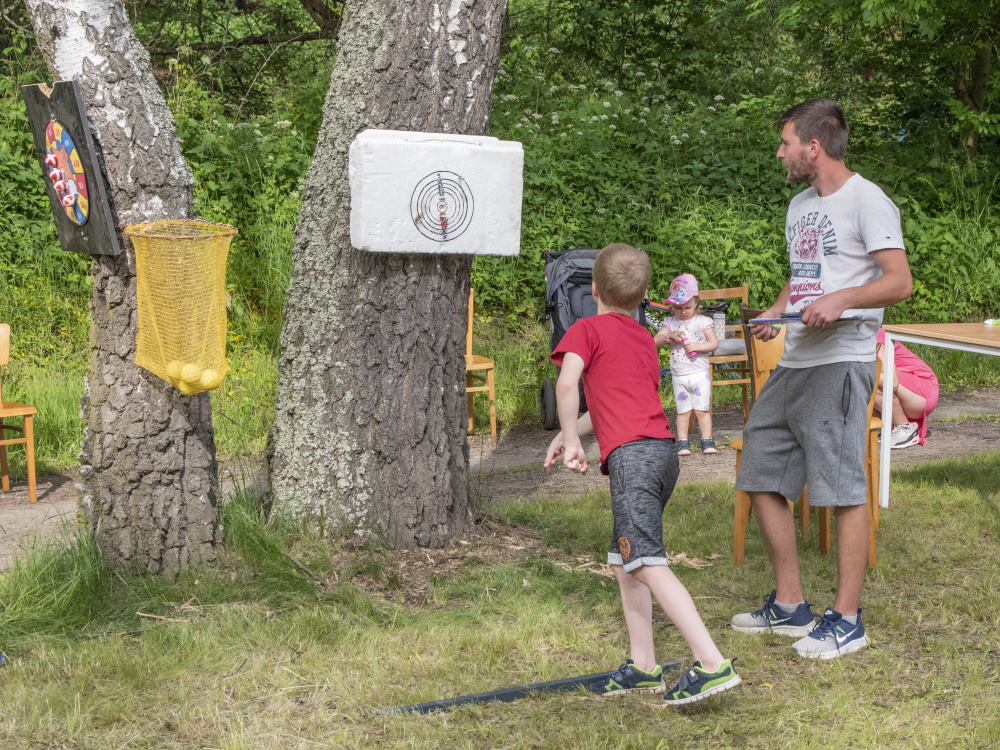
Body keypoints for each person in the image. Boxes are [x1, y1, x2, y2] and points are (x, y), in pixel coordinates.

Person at [731, 99, 913, 659]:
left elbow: (899, 281)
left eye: (786, 142)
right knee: (759, 466)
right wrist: (775, 310)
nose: (779, 153)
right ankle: (791, 605)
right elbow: (805, 277)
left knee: (840, 486)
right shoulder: (799, 206)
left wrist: (843, 300)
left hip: (842, 360)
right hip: (795, 361)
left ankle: (847, 620)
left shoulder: (867, 200)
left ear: (813, 147)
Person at [544, 243, 741, 706]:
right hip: (663, 453)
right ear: (642, 296)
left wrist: (571, 438)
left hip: (633, 459)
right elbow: (615, 399)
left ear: (593, 289)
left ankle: (712, 663)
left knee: (647, 561)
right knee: (624, 559)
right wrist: (570, 434)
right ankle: (643, 665)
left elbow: (567, 384)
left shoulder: (584, 329)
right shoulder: (641, 338)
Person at [652, 274, 720, 456]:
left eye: (687, 307)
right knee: (682, 411)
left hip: (699, 373)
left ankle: (707, 440)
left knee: (702, 409)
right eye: (678, 307)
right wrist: (669, 336)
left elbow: (714, 343)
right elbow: (655, 341)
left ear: (696, 302)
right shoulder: (670, 323)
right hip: (679, 375)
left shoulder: (703, 321)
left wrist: (698, 346)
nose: (683, 312)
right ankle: (682, 442)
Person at [875, 328, 939, 449]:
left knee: (866, 379)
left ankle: (904, 428)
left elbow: (892, 382)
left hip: (923, 391)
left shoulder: (872, 334)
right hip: (908, 392)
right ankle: (882, 428)